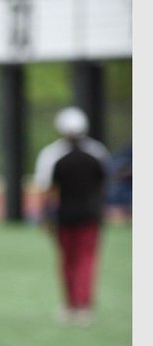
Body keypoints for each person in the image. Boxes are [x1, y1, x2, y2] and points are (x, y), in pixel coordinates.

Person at [32, 106, 111, 325]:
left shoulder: (53, 155)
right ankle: (83, 304)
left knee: (68, 260)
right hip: (89, 215)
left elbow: (47, 190)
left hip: (64, 216)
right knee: (86, 259)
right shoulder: (97, 153)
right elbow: (103, 185)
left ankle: (72, 304)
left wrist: (45, 216)